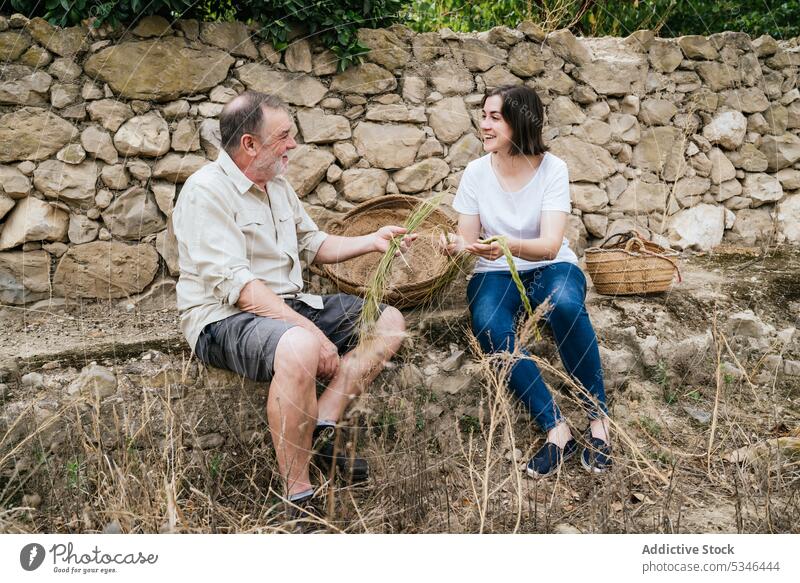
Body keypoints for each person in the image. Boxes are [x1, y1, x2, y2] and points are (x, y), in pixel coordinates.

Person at [172, 91, 413, 517]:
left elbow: (312, 243)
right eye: (284, 136)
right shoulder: (205, 191)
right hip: (224, 317)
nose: (294, 145)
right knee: (301, 348)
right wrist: (313, 333)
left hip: (287, 306)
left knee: (390, 321)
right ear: (250, 144)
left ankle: (323, 421)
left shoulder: (276, 186)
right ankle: (298, 499)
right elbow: (241, 288)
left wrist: (371, 242)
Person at [440, 85, 612, 478]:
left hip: (551, 266)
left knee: (566, 305)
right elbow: (468, 241)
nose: (483, 125)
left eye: (494, 117)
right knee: (488, 324)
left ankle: (598, 421)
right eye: (482, 115)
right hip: (494, 272)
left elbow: (551, 245)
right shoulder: (475, 172)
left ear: (520, 122)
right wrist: (453, 246)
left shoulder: (553, 168)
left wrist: (504, 244)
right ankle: (556, 429)